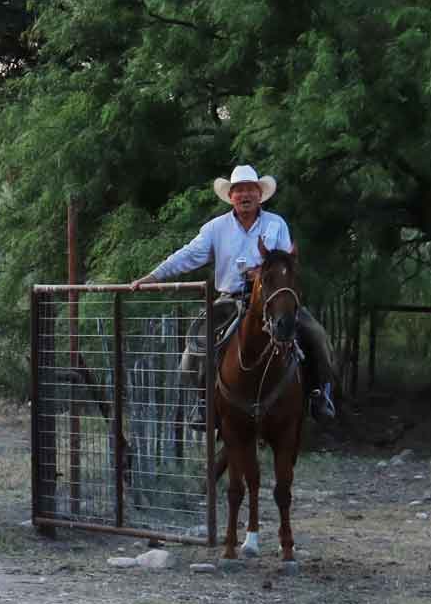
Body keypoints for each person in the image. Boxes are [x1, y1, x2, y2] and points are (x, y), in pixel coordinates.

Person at [130, 164, 338, 420]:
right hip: (231, 298)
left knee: (315, 334)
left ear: (260, 194)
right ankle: (204, 402)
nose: (245, 195)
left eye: (250, 189)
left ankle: (320, 394)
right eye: (239, 190)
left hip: (272, 297)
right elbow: (188, 255)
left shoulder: (276, 224)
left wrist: (262, 273)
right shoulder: (215, 228)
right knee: (196, 346)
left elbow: (287, 262)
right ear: (231, 196)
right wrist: (152, 276)